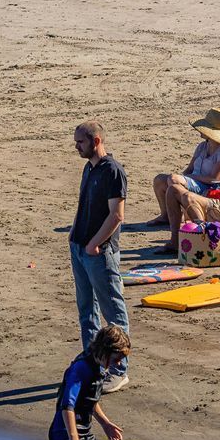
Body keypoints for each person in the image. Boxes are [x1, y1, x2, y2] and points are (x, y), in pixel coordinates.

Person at [69, 121, 130, 390]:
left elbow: (117, 215)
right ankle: (93, 362)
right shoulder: (89, 168)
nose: (76, 146)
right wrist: (75, 235)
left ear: (96, 141)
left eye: (80, 142)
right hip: (80, 247)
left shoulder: (113, 172)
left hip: (99, 252)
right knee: (86, 311)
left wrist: (94, 244)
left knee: (112, 312)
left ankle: (119, 369)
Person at [49, 325, 130, 440]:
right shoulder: (81, 368)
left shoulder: (100, 365)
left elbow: (89, 401)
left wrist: (105, 423)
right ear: (105, 350)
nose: (118, 364)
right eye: (117, 359)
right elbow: (67, 406)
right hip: (64, 434)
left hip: (84, 433)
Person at [147, 108, 220, 225]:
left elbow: (215, 178)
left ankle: (180, 215)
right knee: (160, 180)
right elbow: (190, 169)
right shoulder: (203, 146)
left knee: (173, 179)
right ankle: (166, 215)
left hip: (210, 187)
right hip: (196, 181)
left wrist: (189, 178)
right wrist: (184, 177)